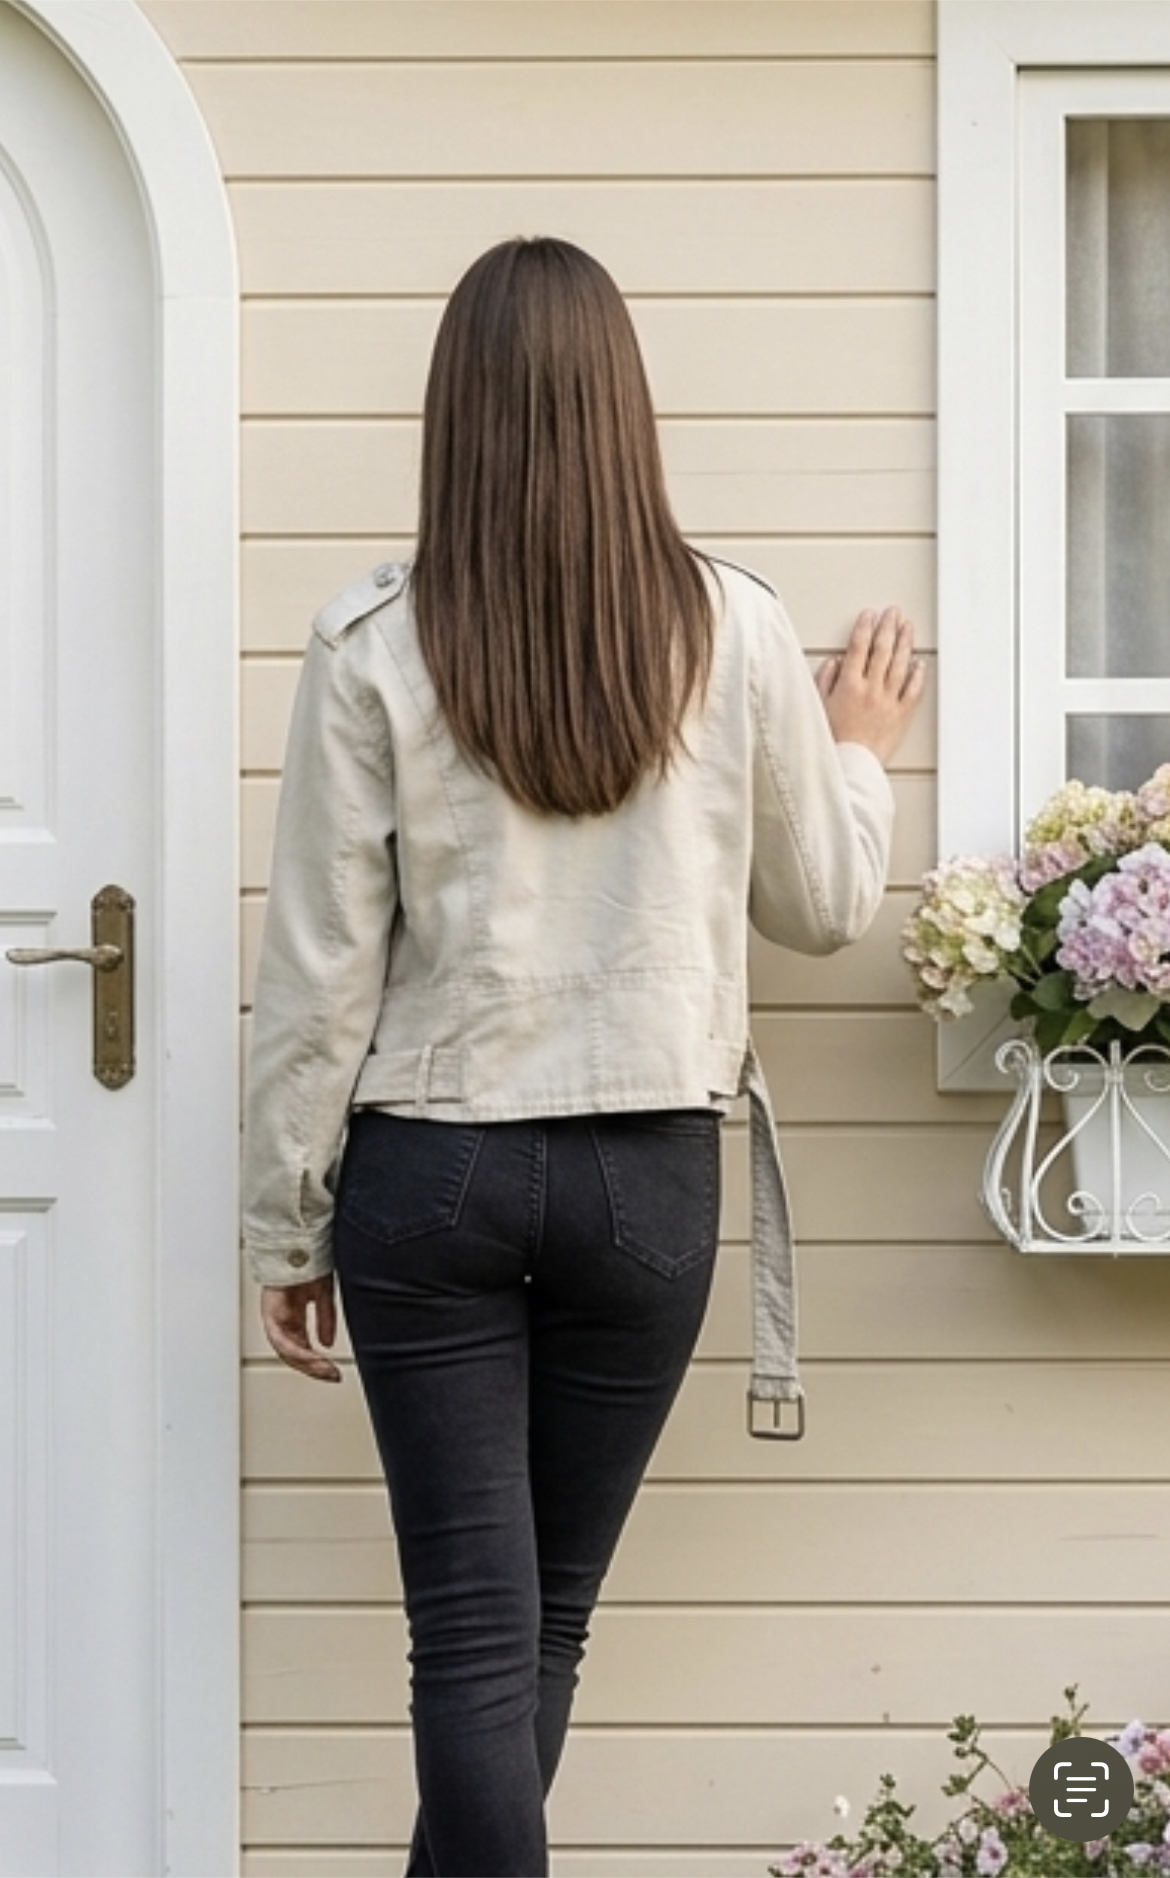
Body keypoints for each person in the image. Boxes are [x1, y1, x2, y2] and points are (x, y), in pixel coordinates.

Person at [242, 236, 925, 1878]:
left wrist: (284, 1220)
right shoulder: (736, 628)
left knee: (474, 1634)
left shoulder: (371, 643)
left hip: (432, 1169)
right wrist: (855, 751)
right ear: (627, 408)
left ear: (452, 417)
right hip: (647, 1177)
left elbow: (319, 971)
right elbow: (825, 903)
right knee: (539, 1625)